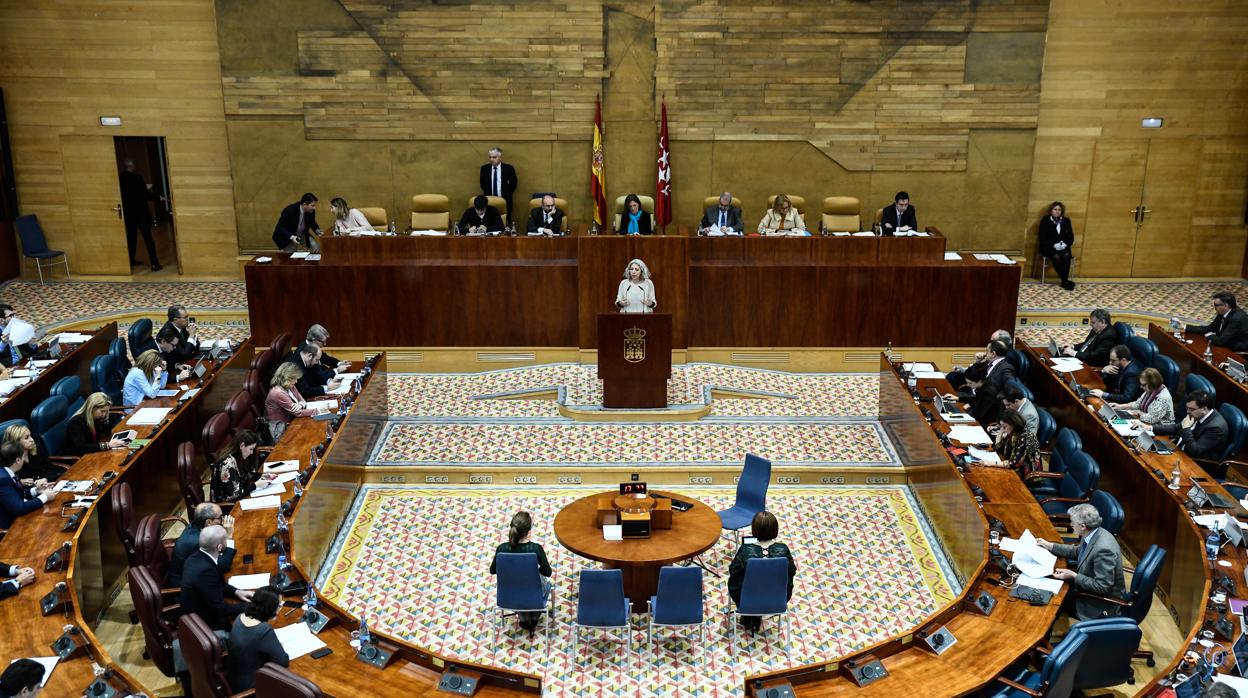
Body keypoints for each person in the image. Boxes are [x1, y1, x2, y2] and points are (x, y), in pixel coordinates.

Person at [1037, 503, 1126, 620]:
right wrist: (1050, 546)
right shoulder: (1094, 533)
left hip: (1098, 604)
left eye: (1073, 522)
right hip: (1085, 588)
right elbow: (1078, 552)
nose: (1071, 525)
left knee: (1050, 600)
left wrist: (1074, 575)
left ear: (1083, 526)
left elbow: (1102, 587)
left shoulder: (1104, 549)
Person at [728, 511, 796, 633]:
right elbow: (792, 571)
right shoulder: (783, 549)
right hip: (777, 599)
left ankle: (750, 615)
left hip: (747, 600)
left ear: (755, 529)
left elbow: (733, 571)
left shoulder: (746, 550)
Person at [180, 524, 253, 631]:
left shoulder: (195, 557)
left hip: (199, 610)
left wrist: (237, 592)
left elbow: (217, 583)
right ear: (219, 547)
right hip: (204, 626)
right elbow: (220, 609)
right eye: (225, 540)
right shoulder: (205, 571)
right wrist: (253, 606)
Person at [489, 511, 552, 633]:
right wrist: (534, 570)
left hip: (509, 595)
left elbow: (492, 570)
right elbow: (547, 572)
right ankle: (534, 615)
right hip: (533, 592)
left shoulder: (502, 549)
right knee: (537, 580)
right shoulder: (535, 549)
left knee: (517, 582)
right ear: (529, 531)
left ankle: (523, 616)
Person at [226, 585, 290, 690]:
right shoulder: (263, 630)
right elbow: (283, 661)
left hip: (234, 676)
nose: (280, 609)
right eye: (279, 606)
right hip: (250, 685)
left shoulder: (240, 617)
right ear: (271, 608)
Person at [1151, 390, 1230, 464]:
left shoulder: (1216, 428)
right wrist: (1151, 428)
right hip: (1179, 449)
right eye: (1187, 408)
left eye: (1191, 409)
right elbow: (1177, 428)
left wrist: (1186, 428)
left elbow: (1195, 451)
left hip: (1194, 463)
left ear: (1204, 409)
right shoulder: (1198, 413)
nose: (1188, 411)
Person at [168, 503, 235, 588]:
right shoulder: (198, 542)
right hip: (186, 590)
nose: (223, 520)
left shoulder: (197, 525)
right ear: (209, 522)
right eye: (220, 518)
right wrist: (228, 537)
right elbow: (222, 566)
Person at [120, 159, 163, 271]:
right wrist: (158, 198)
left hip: (129, 213)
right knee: (147, 237)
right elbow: (146, 195)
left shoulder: (120, 178)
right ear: (132, 166)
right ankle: (154, 263)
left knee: (131, 237)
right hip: (140, 212)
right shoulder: (137, 177)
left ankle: (130, 260)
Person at [0, 442, 55, 529]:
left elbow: (17, 494)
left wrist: (36, 490)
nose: (25, 460)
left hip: (21, 517)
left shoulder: (8, 471)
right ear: (18, 460)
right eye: (23, 457)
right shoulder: (3, 480)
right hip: (12, 527)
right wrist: (45, 496)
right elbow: (19, 508)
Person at [211, 429, 272, 503]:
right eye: (250, 449)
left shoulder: (240, 455)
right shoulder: (227, 465)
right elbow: (235, 494)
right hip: (227, 505)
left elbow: (250, 474)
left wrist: (264, 476)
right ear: (242, 446)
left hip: (241, 497)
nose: (251, 452)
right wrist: (256, 485)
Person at [1177, 292, 1248, 352]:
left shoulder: (1237, 318)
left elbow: (1220, 341)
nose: (1214, 307)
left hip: (1237, 350)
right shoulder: (1223, 312)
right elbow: (1209, 328)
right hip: (1225, 343)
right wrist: (1184, 326)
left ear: (1226, 306)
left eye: (1216, 305)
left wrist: (1209, 336)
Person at [946, 329, 1012, 390]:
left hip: (980, 386)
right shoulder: (991, 355)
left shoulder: (1003, 362)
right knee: (952, 376)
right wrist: (978, 362)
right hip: (976, 380)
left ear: (1001, 344)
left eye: (992, 341)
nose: (989, 342)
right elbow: (977, 371)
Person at [946, 362, 1003, 426]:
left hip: (987, 422)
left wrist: (968, 409)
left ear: (980, 381)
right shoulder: (984, 383)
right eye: (967, 382)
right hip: (979, 413)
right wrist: (958, 398)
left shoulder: (989, 392)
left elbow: (977, 414)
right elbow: (976, 398)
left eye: (970, 383)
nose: (968, 385)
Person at [1037, 201, 1075, 290]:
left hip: (1063, 246)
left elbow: (1070, 236)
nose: (1057, 211)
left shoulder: (1066, 220)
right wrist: (1054, 244)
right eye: (1055, 209)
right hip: (1048, 246)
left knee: (1066, 255)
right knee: (1056, 257)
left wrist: (1065, 244)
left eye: (1059, 210)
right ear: (1051, 211)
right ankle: (1065, 280)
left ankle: (1064, 281)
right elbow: (1042, 237)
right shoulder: (1045, 220)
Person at [994, 409, 1040, 476]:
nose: (1003, 429)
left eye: (1004, 426)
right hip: (1015, 469)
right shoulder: (1014, 433)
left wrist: (990, 463)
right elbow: (998, 448)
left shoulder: (1025, 437)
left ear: (1013, 424)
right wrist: (1001, 431)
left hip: (1028, 475)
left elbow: (1014, 463)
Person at [479, 147, 518, 224]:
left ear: (500, 157)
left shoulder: (509, 168)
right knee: (489, 223)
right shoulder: (485, 169)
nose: (491, 159)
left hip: (505, 201)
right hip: (489, 201)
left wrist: (507, 194)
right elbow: (482, 184)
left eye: (494, 157)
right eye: (490, 157)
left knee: (506, 224)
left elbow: (513, 184)